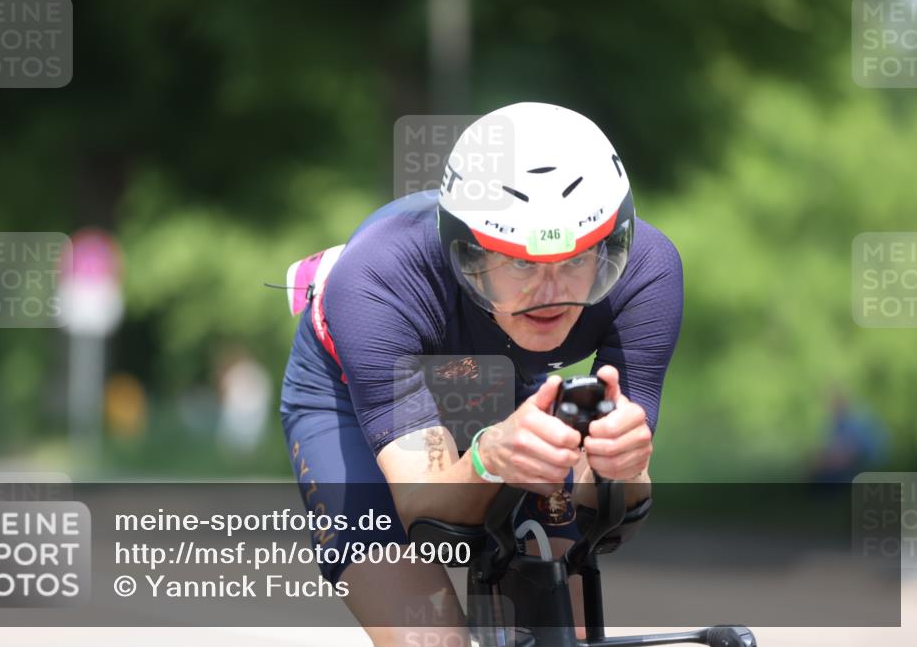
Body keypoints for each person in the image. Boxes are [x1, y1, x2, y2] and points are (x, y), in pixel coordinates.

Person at [280, 102, 683, 645]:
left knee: (564, 619)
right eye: (520, 262)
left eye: (576, 259)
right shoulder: (376, 278)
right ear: (466, 254)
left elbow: (610, 508)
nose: (550, 292)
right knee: (431, 638)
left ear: (614, 245)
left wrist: (621, 468)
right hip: (344, 389)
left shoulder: (647, 273)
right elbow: (424, 508)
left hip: (499, 375)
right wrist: (489, 460)